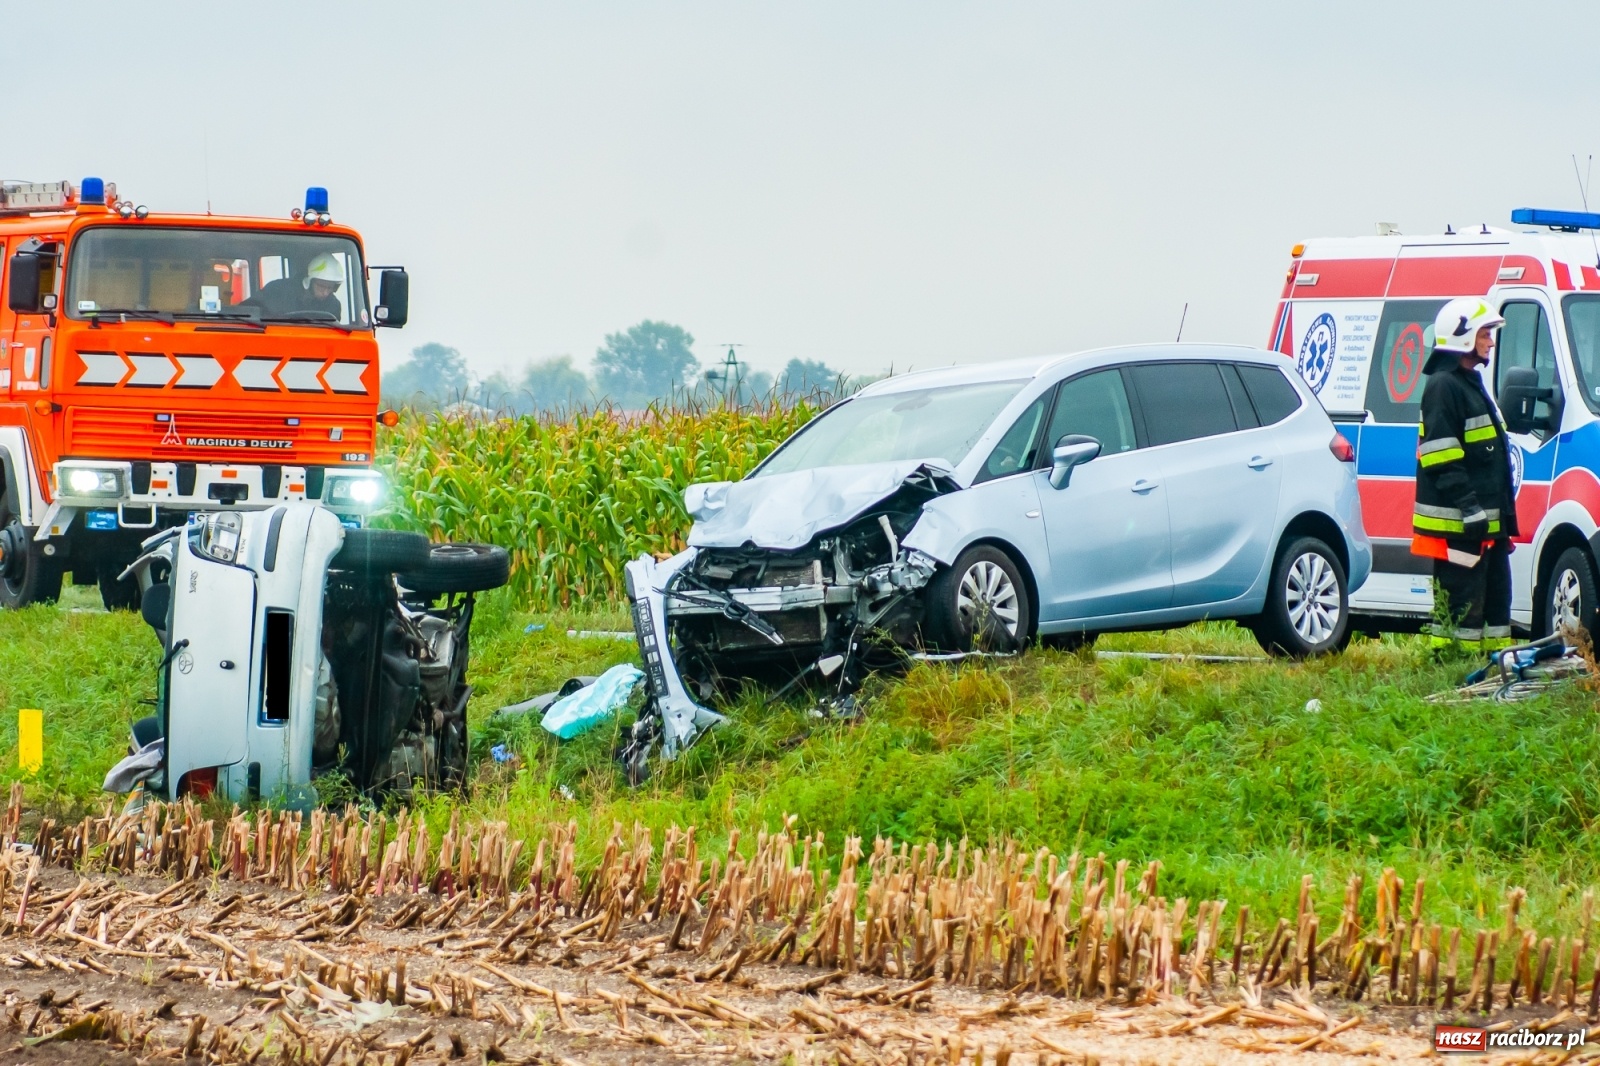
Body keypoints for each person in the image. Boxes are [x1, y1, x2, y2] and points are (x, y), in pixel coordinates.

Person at [1411, 297, 1518, 650]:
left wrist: (1500, 521)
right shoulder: (1444, 386)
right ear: (1463, 337)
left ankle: (1495, 669)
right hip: (1458, 526)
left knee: (1496, 605)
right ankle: (1452, 666)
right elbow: (1440, 456)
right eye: (1485, 333)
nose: (1491, 341)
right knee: (1461, 609)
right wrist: (1469, 507)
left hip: (1484, 525)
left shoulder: (1469, 383)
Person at [241, 253, 344, 320]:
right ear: (309, 281)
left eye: (330, 288)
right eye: (321, 286)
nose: (325, 293)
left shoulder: (333, 306)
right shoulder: (277, 290)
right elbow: (246, 311)